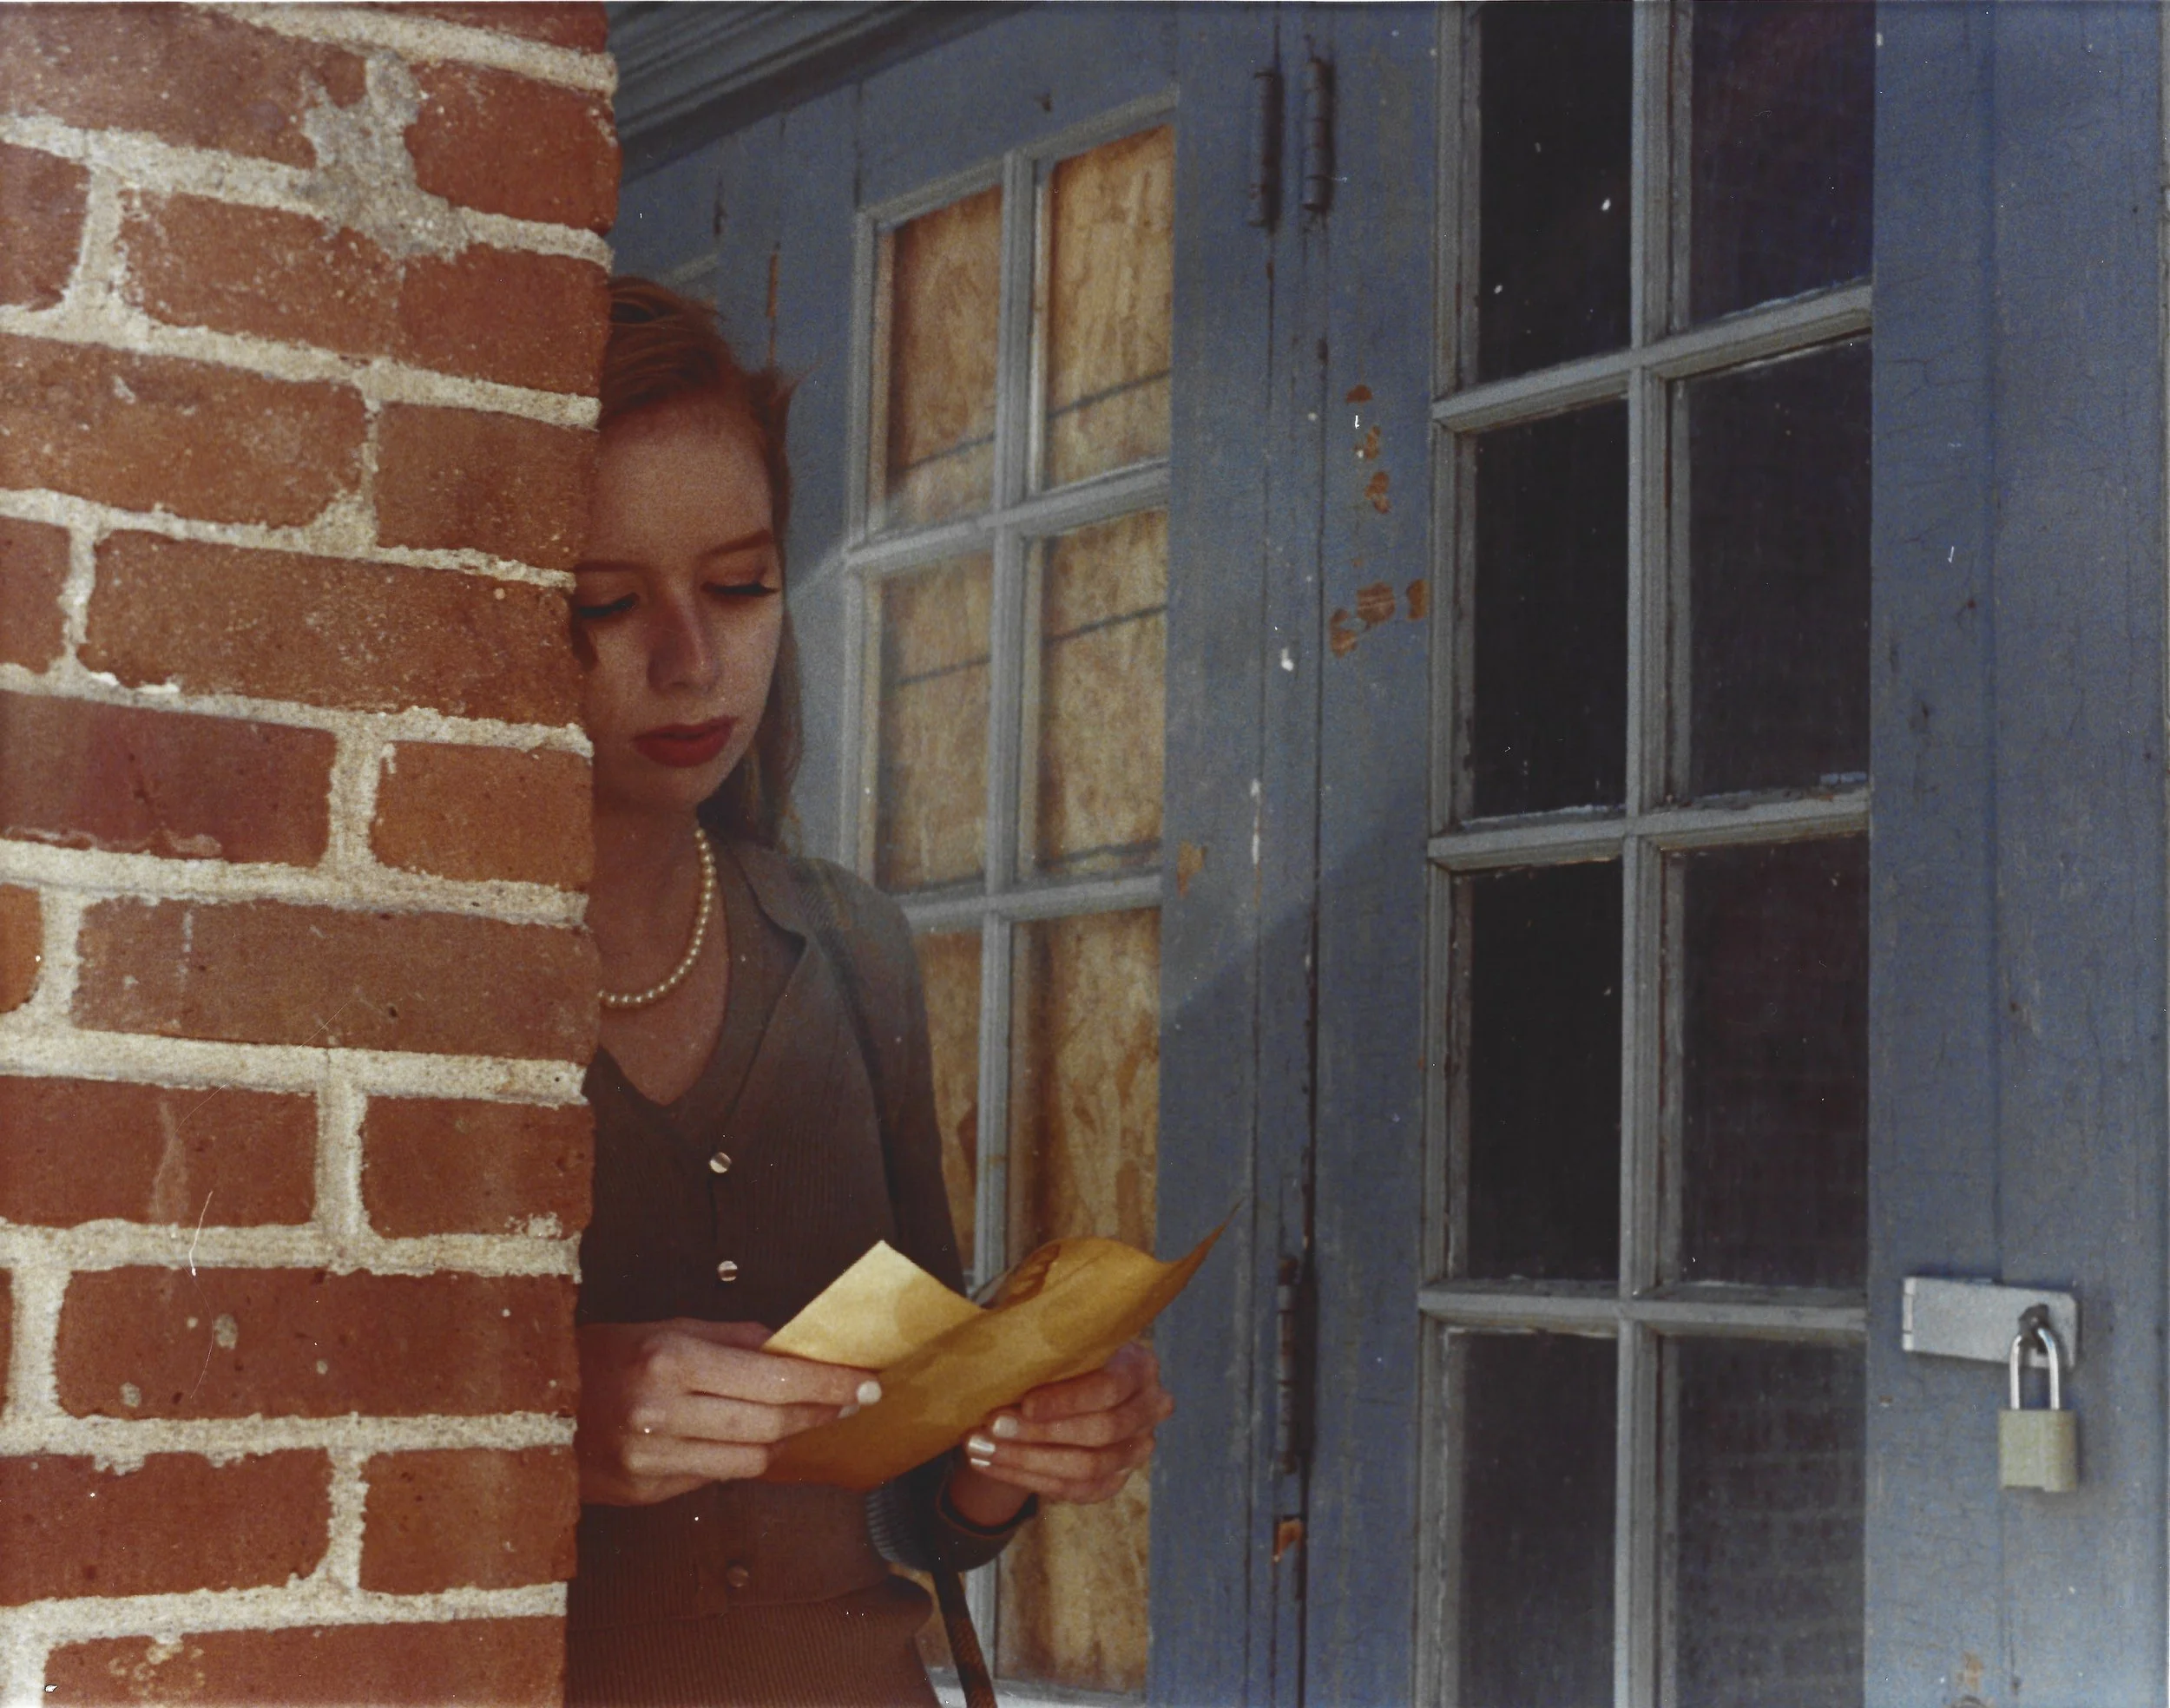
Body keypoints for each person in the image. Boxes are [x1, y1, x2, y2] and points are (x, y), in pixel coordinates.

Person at [567, 277, 1174, 1706]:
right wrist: (541, 1415)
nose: (692, 660)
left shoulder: (851, 948)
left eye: (741, 584)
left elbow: (910, 1499)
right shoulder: (409, 998)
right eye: (605, 602)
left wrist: (1011, 1444)